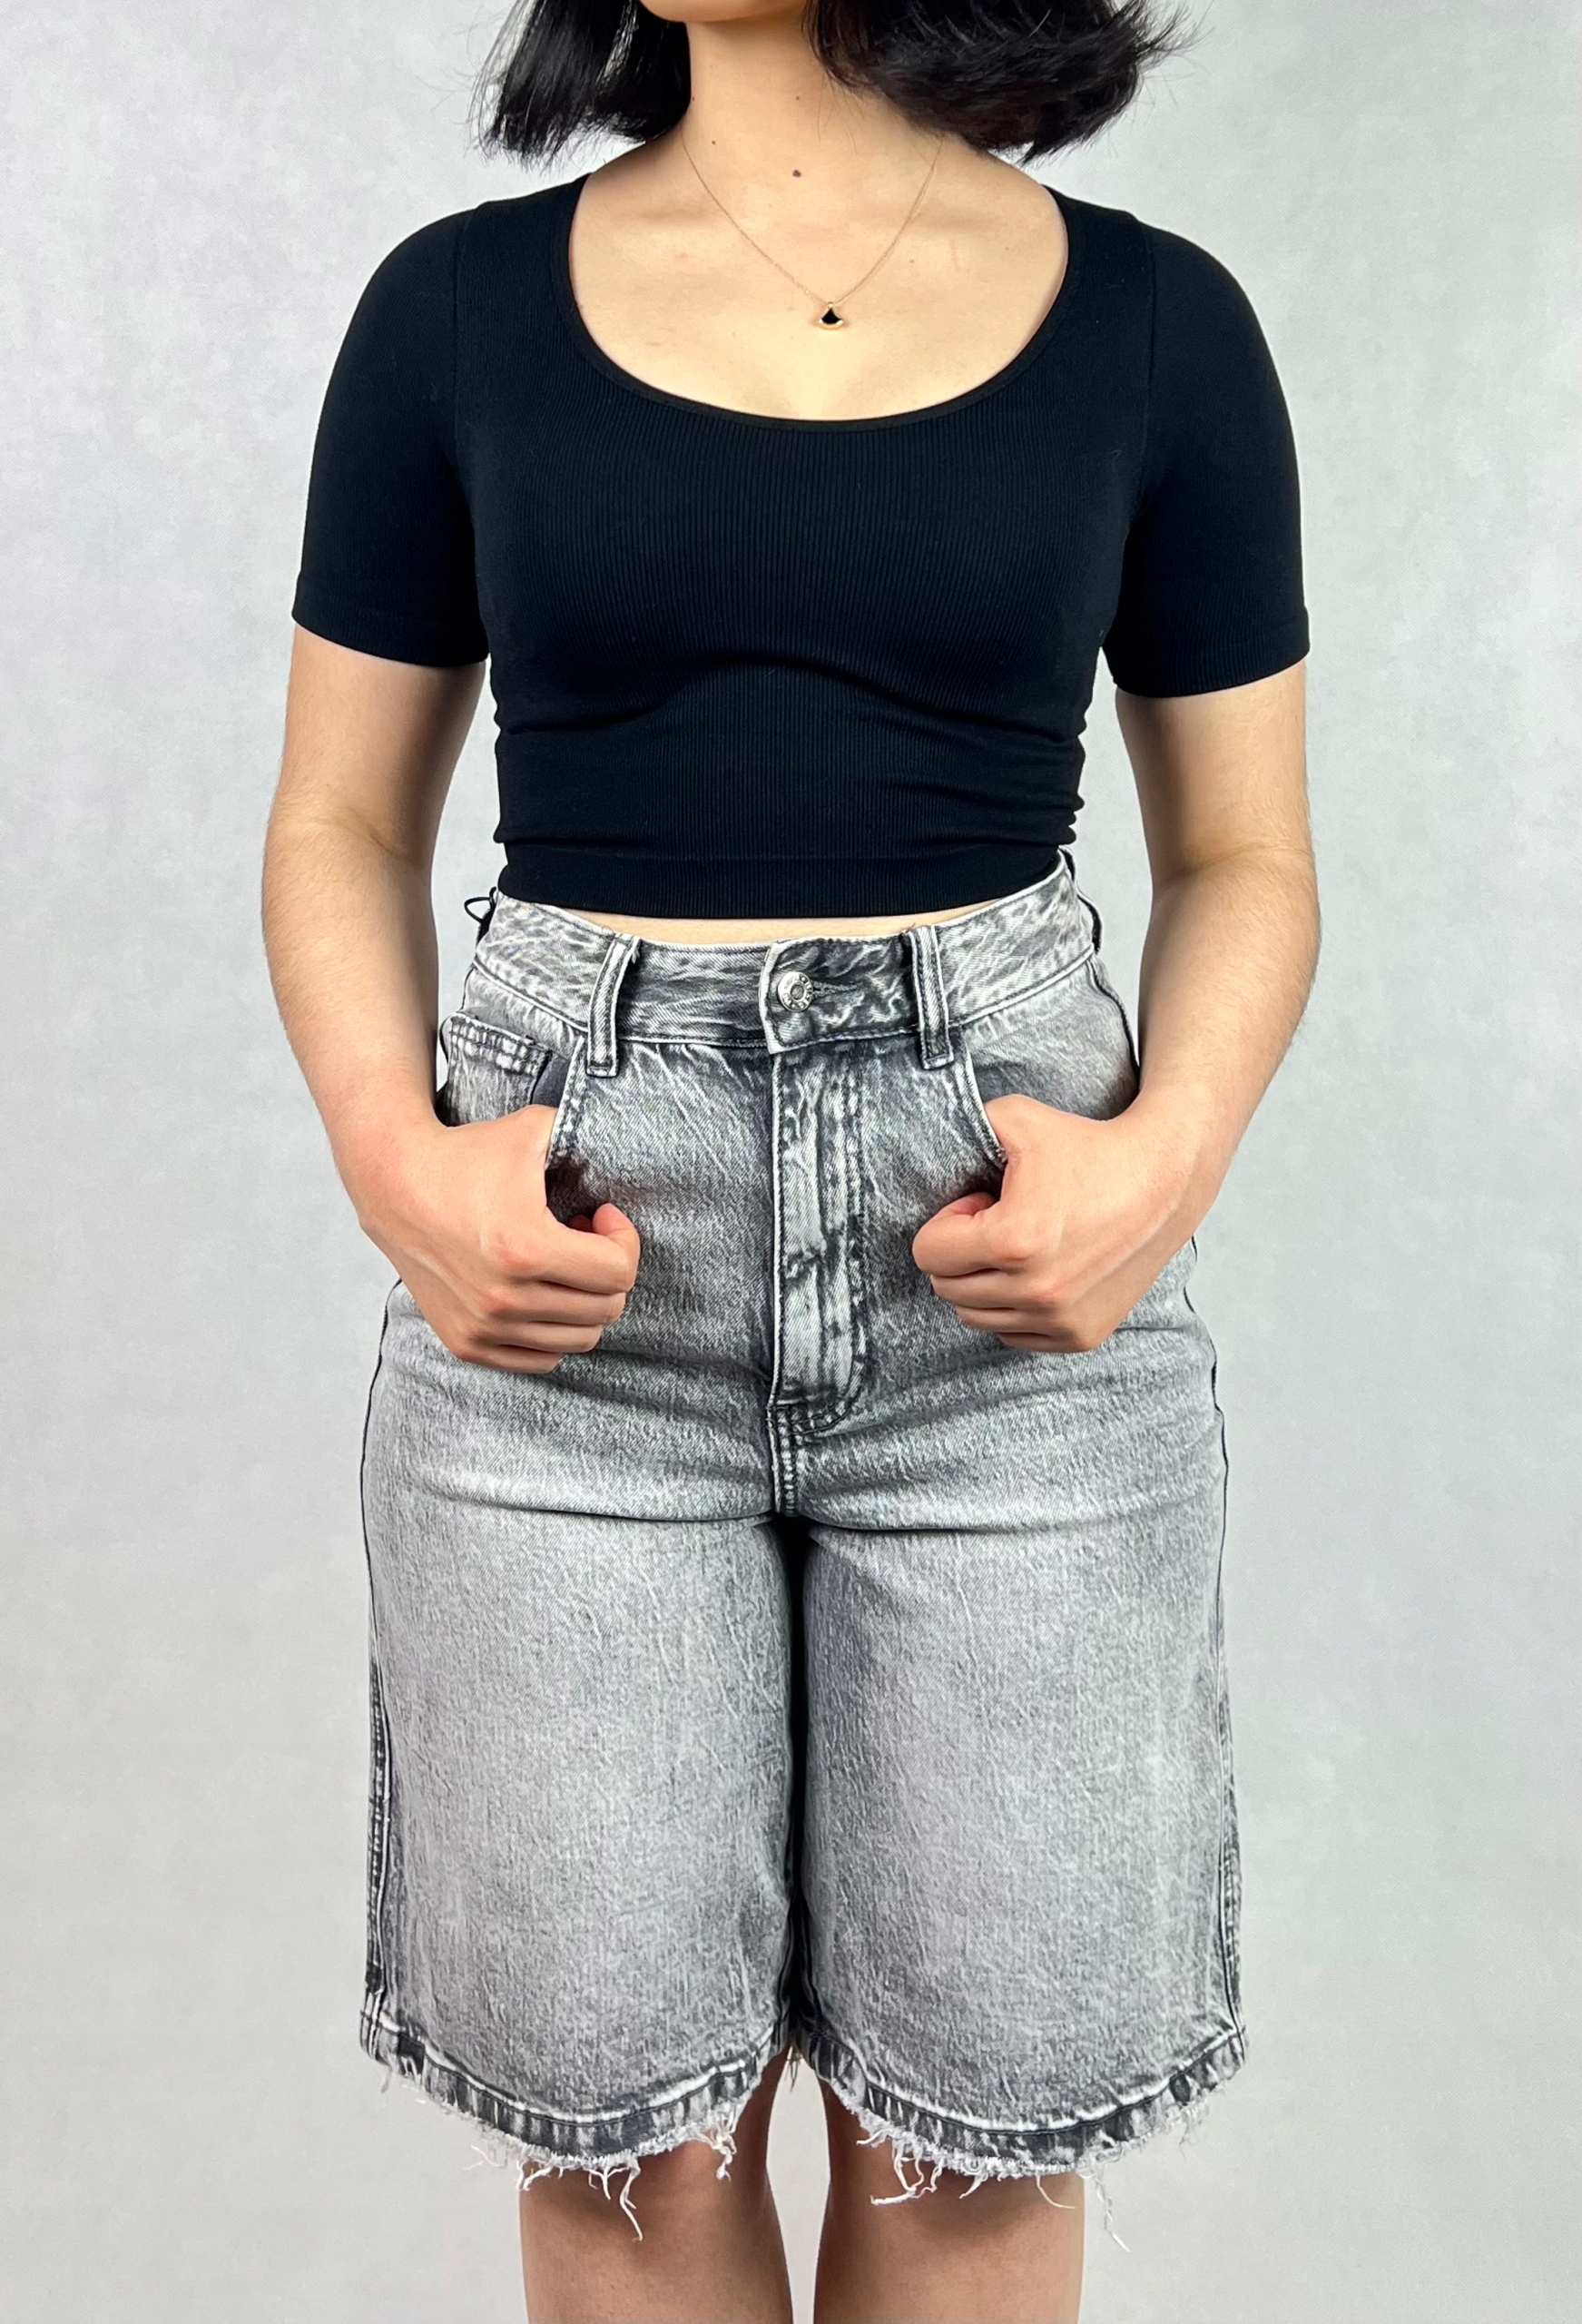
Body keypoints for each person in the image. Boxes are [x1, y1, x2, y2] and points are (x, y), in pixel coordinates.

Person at [262, 2, 1316, 2316]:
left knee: (980, 2133)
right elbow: (337, 813)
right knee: (625, 2135)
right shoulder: (454, 313)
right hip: (569, 1293)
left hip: (1006, 1302)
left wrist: (1166, 1152)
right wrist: (389, 1154)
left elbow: (1245, 853)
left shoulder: (1154, 327)